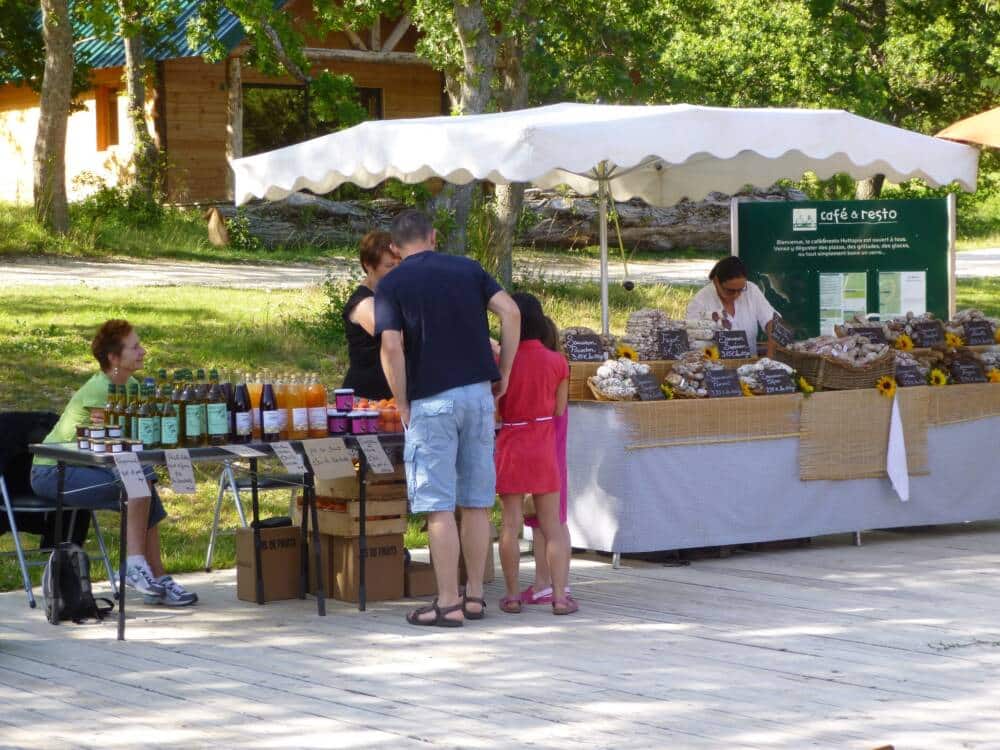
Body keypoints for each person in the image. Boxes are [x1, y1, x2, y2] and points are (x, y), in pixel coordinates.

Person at [376, 209, 520, 627]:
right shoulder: (469, 269)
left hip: (431, 400)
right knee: (476, 502)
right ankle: (475, 596)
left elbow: (391, 346)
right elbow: (510, 313)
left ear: (394, 248)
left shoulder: (392, 283)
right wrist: (505, 372)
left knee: (437, 505)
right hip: (478, 395)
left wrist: (402, 400)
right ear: (434, 236)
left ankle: (447, 602)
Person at [31, 320, 197, 607]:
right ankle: (135, 565)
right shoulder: (101, 391)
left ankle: (156, 577)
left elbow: (139, 437)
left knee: (144, 487)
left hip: (91, 468)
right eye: (135, 347)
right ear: (114, 358)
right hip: (52, 472)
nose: (143, 352)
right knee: (136, 482)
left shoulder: (132, 386)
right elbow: (120, 447)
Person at [495, 295, 575, 616]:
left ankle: (513, 595)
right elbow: (558, 409)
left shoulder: (503, 364)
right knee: (552, 526)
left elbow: (496, 410)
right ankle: (557, 596)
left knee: (510, 525)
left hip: (511, 443)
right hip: (543, 444)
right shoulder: (558, 362)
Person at [519, 315, 572, 606]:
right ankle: (556, 583)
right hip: (555, 454)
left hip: (538, 450)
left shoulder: (541, 368)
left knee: (544, 525)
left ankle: (545, 582)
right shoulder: (560, 365)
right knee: (553, 523)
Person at [342, 231, 400, 400]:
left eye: (400, 264)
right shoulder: (363, 302)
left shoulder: (391, 295)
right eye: (389, 266)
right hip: (365, 399)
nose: (397, 271)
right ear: (368, 265)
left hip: (388, 396)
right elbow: (393, 336)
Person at [686, 256, 776, 349]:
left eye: (741, 290)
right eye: (730, 291)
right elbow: (692, 340)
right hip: (714, 361)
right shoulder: (700, 301)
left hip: (751, 361)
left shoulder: (751, 290)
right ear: (716, 281)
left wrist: (772, 348)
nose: (736, 295)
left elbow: (771, 320)